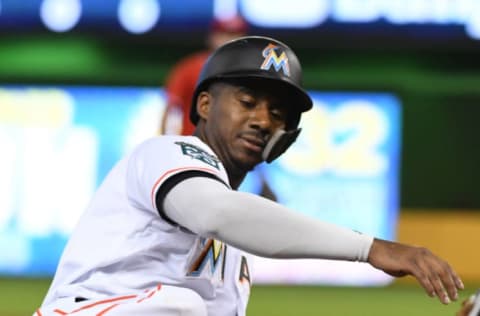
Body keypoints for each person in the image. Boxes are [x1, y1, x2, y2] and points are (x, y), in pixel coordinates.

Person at [35, 36, 463, 316]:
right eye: (246, 101)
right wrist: (369, 249)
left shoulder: (234, 262)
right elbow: (216, 211)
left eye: (277, 114)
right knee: (181, 305)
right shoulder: (163, 154)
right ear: (204, 105)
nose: (263, 119)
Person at [160, 15, 248, 136]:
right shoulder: (189, 67)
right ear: (212, 37)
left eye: (235, 34)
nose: (229, 40)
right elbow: (171, 109)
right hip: (191, 145)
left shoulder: (249, 71)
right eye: (224, 34)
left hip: (232, 147)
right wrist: (168, 141)